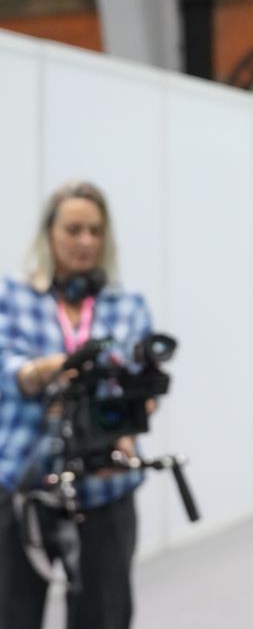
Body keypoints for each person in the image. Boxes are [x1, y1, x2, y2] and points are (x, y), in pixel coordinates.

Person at [0, 180, 152, 629]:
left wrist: (126, 429)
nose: (85, 241)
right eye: (73, 229)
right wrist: (45, 369)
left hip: (104, 491)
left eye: (95, 230)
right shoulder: (14, 297)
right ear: (50, 233)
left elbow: (141, 393)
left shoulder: (127, 306)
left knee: (104, 616)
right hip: (22, 488)